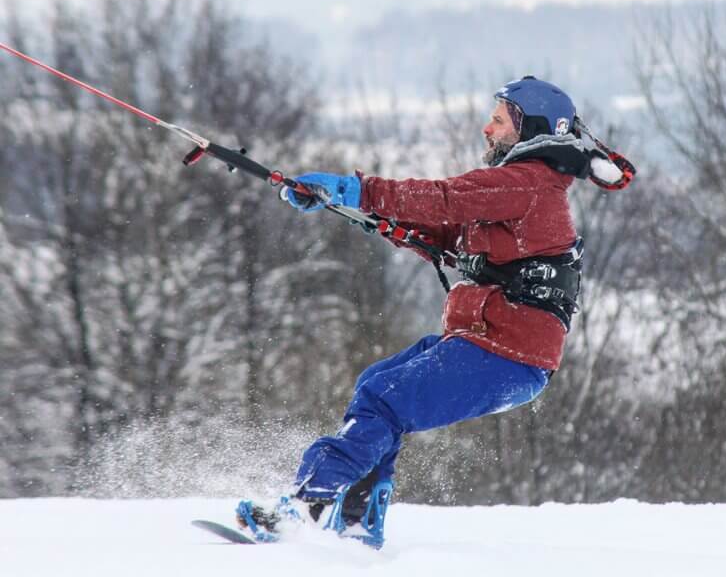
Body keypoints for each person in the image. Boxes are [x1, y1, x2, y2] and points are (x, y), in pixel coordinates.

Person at [237, 76, 612, 548]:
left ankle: (304, 508)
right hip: (495, 345)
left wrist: (357, 191)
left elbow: (445, 200)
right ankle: (357, 522)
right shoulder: (522, 190)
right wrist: (380, 220)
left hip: (508, 352)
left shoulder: (527, 182)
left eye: (498, 120)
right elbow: (452, 239)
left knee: (384, 399)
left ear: (529, 130)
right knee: (376, 384)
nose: (486, 128)